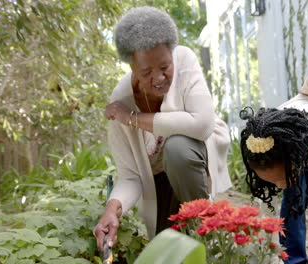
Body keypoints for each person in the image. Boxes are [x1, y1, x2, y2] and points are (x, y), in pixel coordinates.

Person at [93, 6, 232, 252]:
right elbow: (130, 176)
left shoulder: (185, 60)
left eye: (165, 67)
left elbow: (202, 124)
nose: (158, 78)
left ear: (172, 54)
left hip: (192, 162)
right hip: (158, 182)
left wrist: (135, 119)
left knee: (178, 147)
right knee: (166, 250)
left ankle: (205, 233)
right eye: (146, 72)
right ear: (132, 68)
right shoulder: (120, 100)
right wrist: (112, 209)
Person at [239, 69, 308, 264]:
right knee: (294, 192)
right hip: (290, 146)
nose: (279, 185)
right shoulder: (263, 147)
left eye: (280, 179)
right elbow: (268, 213)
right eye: (273, 182)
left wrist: (306, 92)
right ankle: (292, 260)